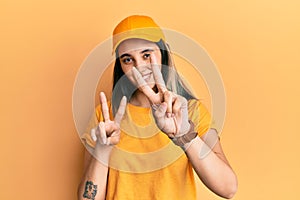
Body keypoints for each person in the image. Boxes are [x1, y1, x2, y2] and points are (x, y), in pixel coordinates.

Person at [77, 15, 237, 200]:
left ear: (163, 53)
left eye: (146, 55)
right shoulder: (106, 118)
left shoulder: (191, 111)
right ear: (120, 66)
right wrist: (102, 151)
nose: (140, 67)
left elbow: (228, 189)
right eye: (128, 59)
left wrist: (184, 136)